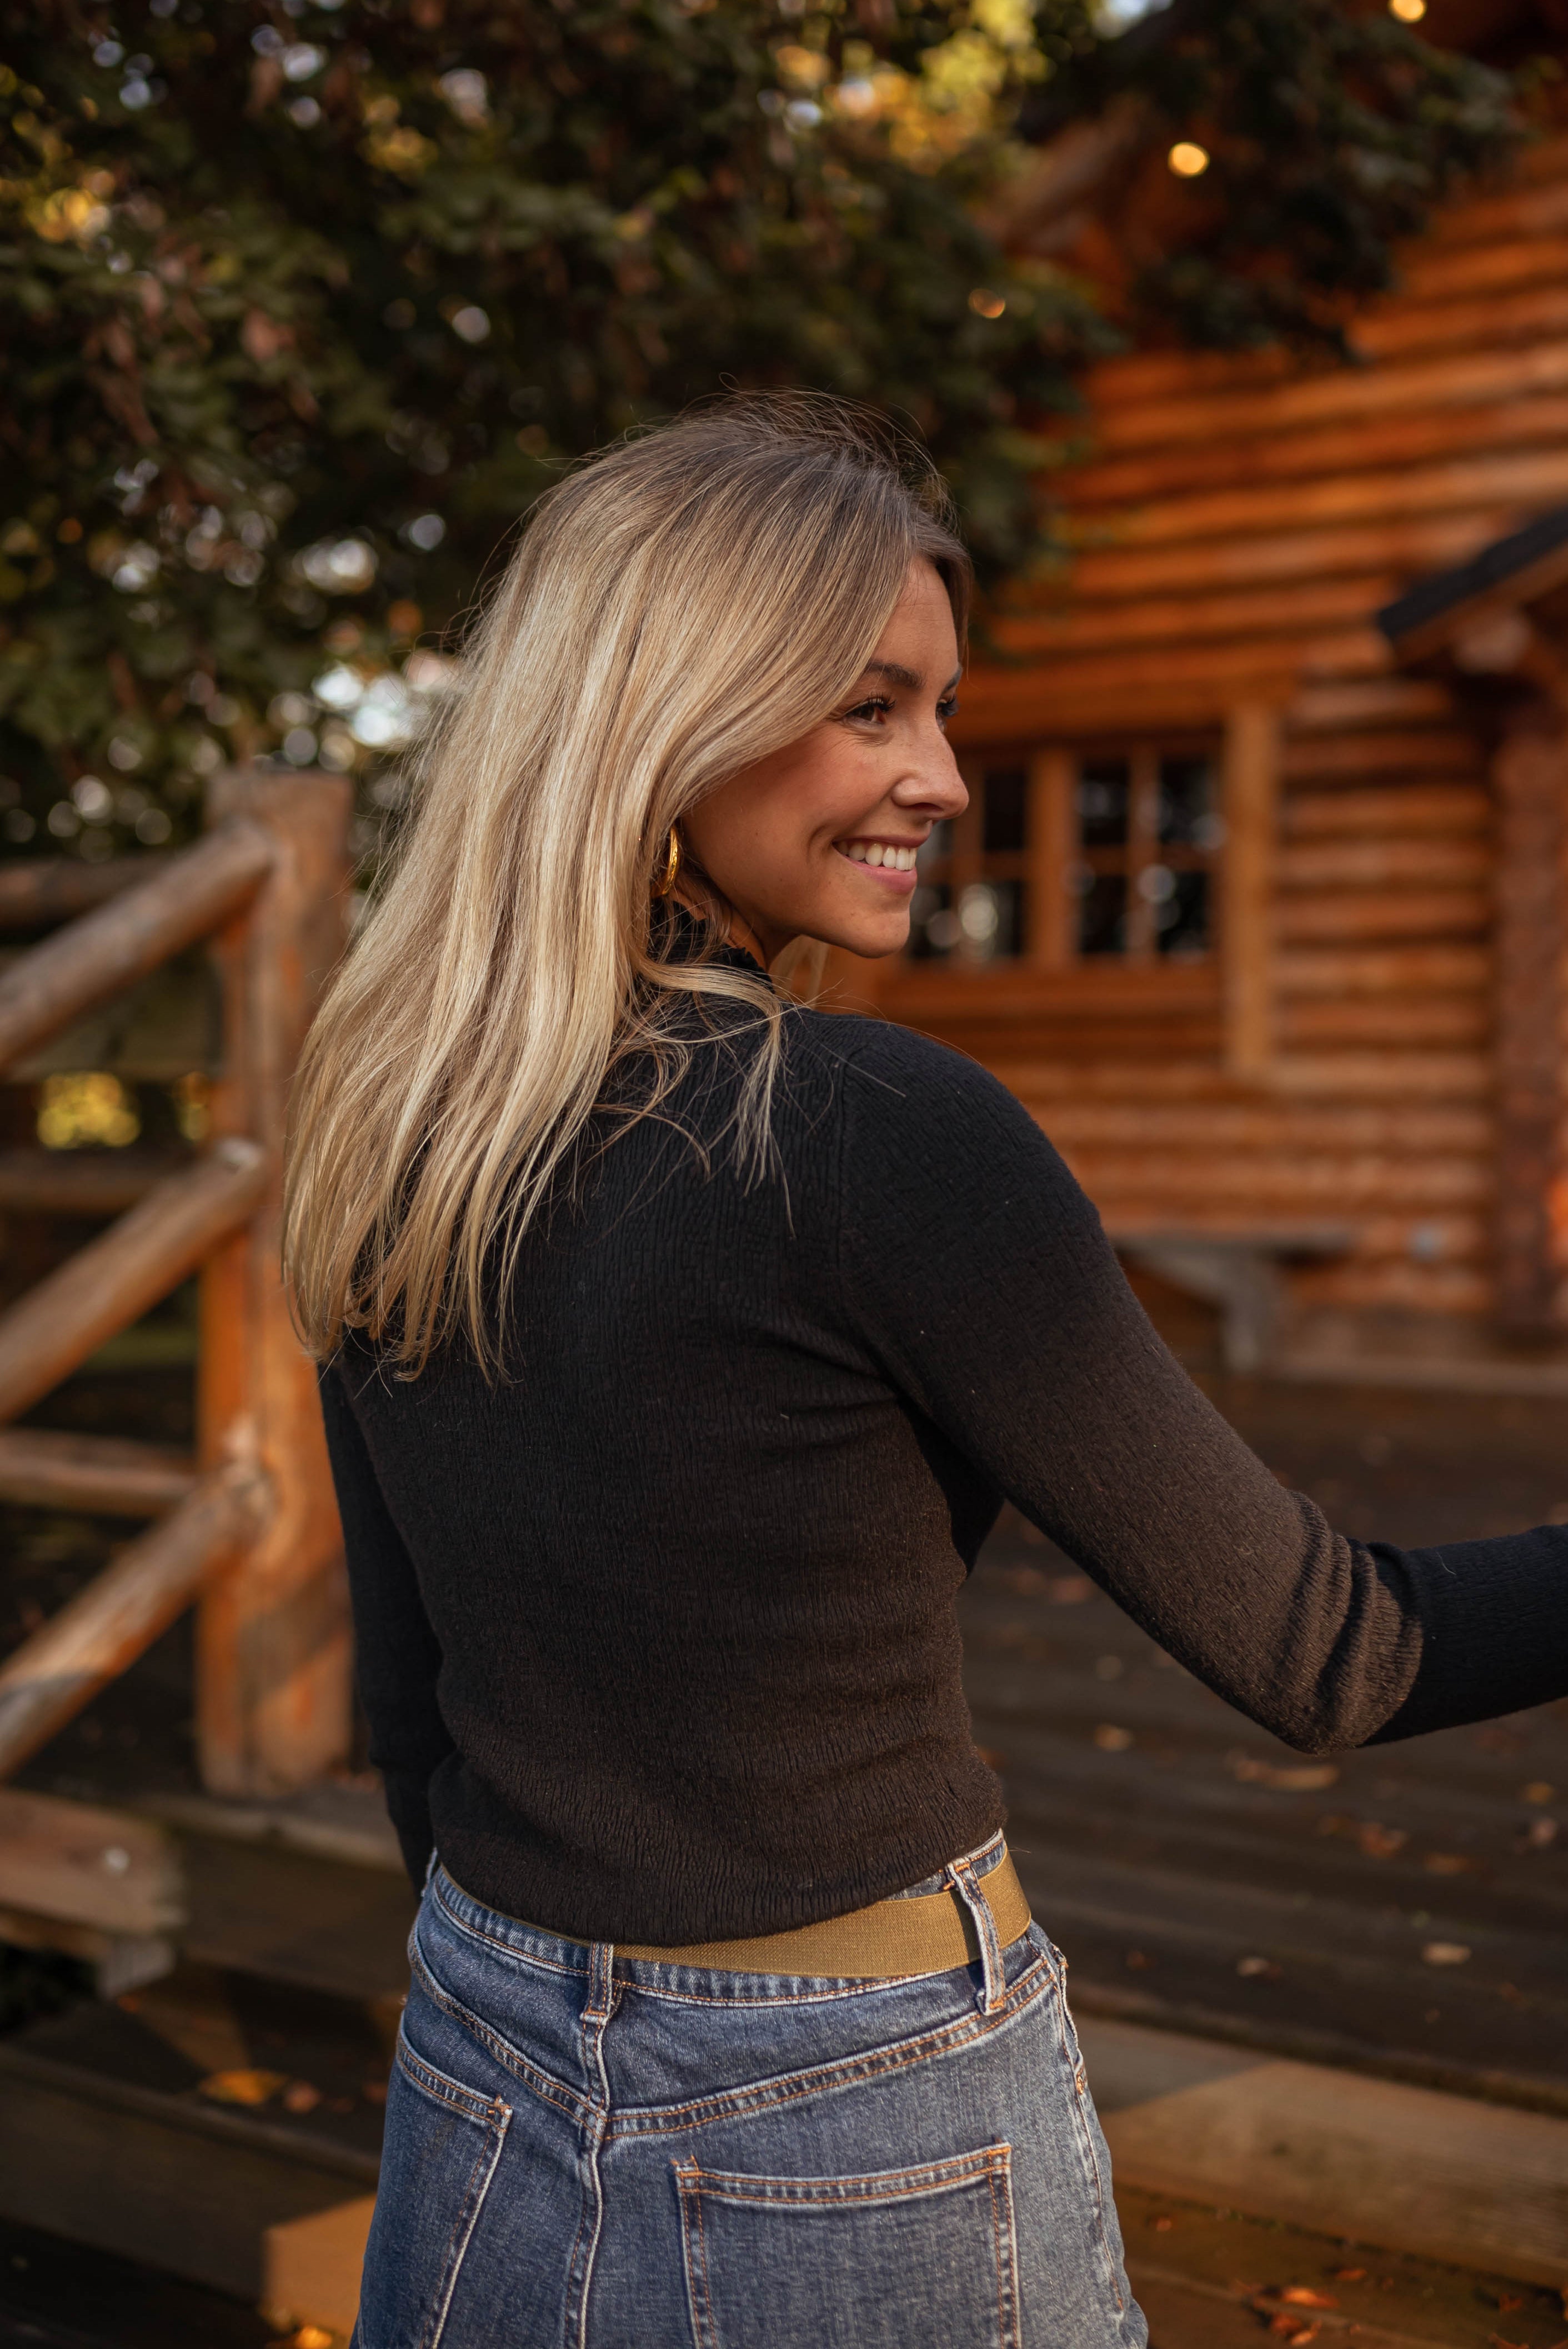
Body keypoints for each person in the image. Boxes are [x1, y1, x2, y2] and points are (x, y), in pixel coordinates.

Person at [283, 395, 1568, 2349]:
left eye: (941, 709)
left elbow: (412, 1713)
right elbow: (1336, 1656)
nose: (947, 778)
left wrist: (558, 1986)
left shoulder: (397, 1129)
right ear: (669, 713)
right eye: (872, 707)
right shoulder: (877, 1133)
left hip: (482, 2034)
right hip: (852, 2101)